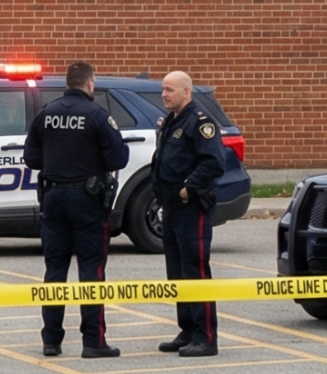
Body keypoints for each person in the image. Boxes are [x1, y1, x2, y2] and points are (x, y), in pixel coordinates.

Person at [24, 61, 129, 358]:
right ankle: (93, 342)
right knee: (91, 270)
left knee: (54, 270)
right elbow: (117, 159)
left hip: (54, 199)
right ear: (90, 83)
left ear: (67, 82)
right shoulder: (97, 115)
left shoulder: (46, 114)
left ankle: (51, 341)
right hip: (87, 200)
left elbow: (31, 158)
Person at [153, 70, 230, 358]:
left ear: (187, 92)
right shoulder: (171, 121)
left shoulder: (201, 123)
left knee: (195, 270)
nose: (164, 94)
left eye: (170, 90)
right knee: (177, 272)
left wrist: (189, 187)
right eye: (163, 89)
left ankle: (206, 336)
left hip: (191, 207)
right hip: (171, 207)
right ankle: (187, 329)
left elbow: (213, 163)